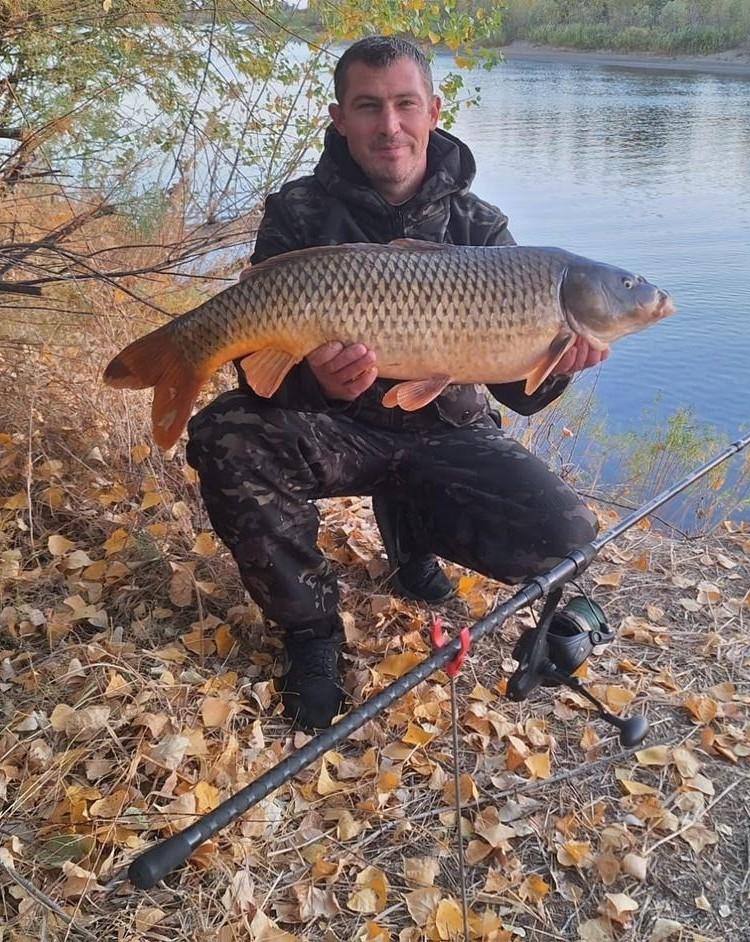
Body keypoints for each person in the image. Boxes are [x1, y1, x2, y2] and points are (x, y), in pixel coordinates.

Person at [185, 35, 605, 730]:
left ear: (434, 110)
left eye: (406, 104)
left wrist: (558, 366)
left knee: (566, 539)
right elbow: (258, 373)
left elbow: (517, 395)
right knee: (227, 433)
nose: (390, 126)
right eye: (369, 106)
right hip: (339, 431)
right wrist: (320, 383)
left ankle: (410, 540)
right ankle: (311, 633)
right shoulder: (297, 214)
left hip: (447, 432)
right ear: (338, 116)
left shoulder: (479, 226)